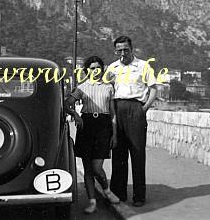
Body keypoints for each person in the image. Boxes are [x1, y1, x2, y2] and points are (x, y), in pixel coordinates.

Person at [65, 56, 120, 214]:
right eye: (92, 68)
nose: (95, 71)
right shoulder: (82, 88)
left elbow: (112, 113)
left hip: (103, 126)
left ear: (102, 69)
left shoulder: (109, 87)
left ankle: (107, 190)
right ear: (87, 70)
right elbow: (67, 103)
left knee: (97, 167)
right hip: (87, 125)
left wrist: (114, 134)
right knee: (88, 168)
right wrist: (76, 115)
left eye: (98, 68)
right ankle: (92, 202)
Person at [107, 35, 158, 207]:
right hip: (117, 109)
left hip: (136, 109)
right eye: (119, 50)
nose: (123, 53)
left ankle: (139, 196)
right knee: (118, 154)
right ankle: (118, 194)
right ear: (115, 51)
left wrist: (144, 109)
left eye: (126, 50)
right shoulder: (112, 68)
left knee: (137, 154)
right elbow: (106, 90)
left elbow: (153, 90)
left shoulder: (143, 65)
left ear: (132, 49)